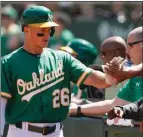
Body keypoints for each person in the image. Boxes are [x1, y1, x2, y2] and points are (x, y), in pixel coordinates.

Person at [1, 6, 121, 137]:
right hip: (21, 132)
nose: (47, 35)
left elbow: (93, 78)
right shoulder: (8, 63)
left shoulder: (62, 58)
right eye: (41, 31)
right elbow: (1, 105)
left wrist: (110, 77)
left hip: (56, 132)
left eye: (50, 30)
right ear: (26, 29)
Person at [69, 27, 143, 117]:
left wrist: (126, 73)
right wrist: (77, 109)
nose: (127, 51)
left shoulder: (131, 72)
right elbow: (114, 104)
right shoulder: (135, 78)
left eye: (130, 46)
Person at [60, 38, 105, 104]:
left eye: (70, 55)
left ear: (81, 58)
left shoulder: (92, 78)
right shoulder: (73, 78)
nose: (65, 58)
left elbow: (98, 106)